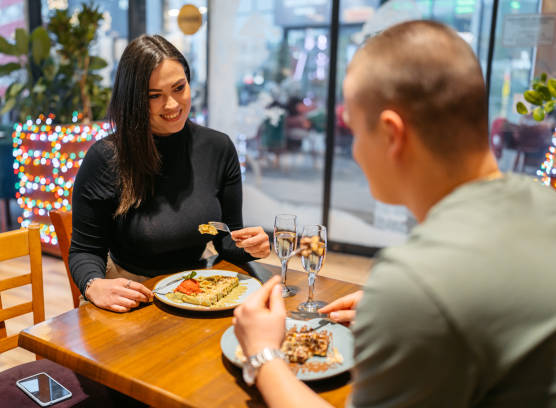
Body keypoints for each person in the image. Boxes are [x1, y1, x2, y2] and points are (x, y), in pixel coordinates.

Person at [233, 20, 556, 407]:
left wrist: (263, 355)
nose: (353, 151)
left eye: (353, 132)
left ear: (391, 134)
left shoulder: (415, 283)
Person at [70, 35, 270, 313]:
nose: (172, 105)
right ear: (133, 100)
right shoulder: (106, 158)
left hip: (199, 286)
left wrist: (250, 245)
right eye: (154, 96)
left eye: (179, 88)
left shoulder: (218, 148)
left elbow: (226, 241)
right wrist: (93, 284)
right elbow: (84, 250)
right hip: (134, 291)